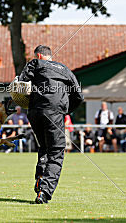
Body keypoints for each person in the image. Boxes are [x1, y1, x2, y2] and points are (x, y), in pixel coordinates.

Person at [18, 45, 83, 204]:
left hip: (35, 112)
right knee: (56, 151)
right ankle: (44, 192)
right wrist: (66, 111)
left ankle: (41, 179)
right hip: (55, 113)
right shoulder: (65, 69)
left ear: (38, 56)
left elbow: (22, 82)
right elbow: (79, 96)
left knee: (44, 147)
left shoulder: (35, 64)